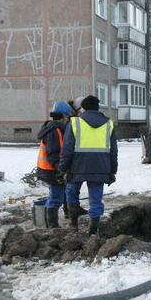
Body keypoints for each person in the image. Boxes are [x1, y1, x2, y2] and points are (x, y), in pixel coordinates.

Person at [59, 95, 117, 235]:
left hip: (76, 167)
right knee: (96, 199)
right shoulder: (109, 124)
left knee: (71, 192)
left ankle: (73, 223)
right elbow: (113, 152)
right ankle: (93, 230)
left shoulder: (75, 123)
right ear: (98, 108)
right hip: (100, 168)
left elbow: (67, 149)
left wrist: (62, 168)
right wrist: (112, 171)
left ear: (83, 108)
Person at [36, 101, 85, 228]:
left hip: (50, 169)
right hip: (51, 170)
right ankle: (52, 227)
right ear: (63, 116)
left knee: (58, 194)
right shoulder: (54, 131)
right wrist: (61, 169)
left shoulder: (56, 128)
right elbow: (53, 154)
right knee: (55, 198)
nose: (68, 120)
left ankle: (54, 223)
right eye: (68, 117)